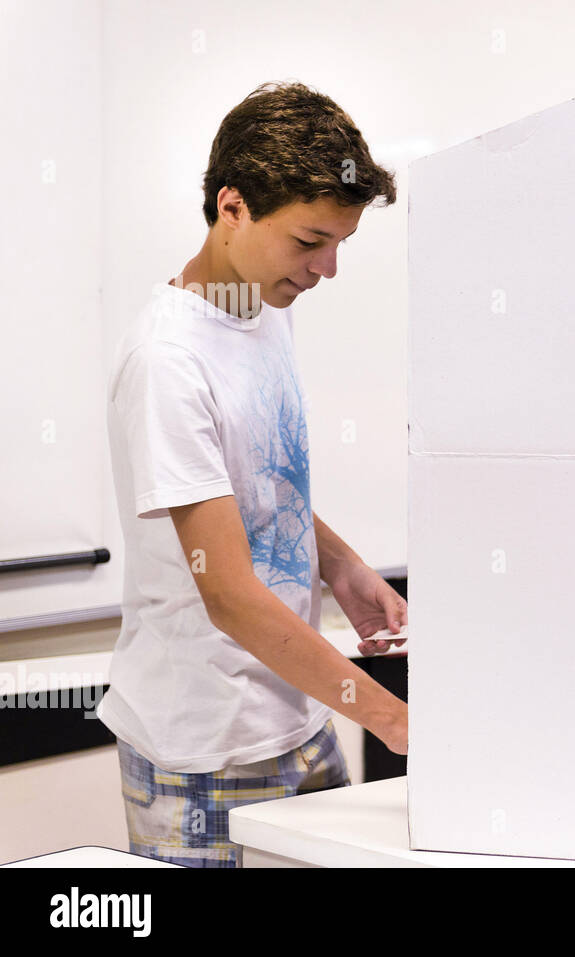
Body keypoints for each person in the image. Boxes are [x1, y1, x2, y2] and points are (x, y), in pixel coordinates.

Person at [97, 81, 407, 867]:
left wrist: (339, 564)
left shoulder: (262, 309)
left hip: (300, 719)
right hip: (204, 757)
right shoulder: (169, 359)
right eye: (310, 241)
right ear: (231, 207)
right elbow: (231, 596)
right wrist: (393, 719)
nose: (327, 268)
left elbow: (261, 481)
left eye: (339, 243)